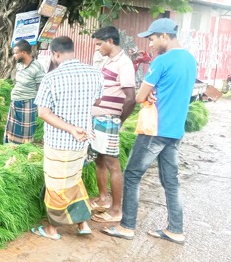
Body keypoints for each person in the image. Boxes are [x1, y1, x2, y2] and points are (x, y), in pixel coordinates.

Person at [102, 18, 197, 245]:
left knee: (132, 175)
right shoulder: (191, 60)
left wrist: (150, 93)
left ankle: (126, 227)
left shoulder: (161, 61)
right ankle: (176, 229)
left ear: (164, 36)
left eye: (153, 39)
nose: (151, 44)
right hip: (174, 131)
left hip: (154, 129)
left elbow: (139, 97)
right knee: (171, 181)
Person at [32, 36, 103, 239]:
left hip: (59, 142)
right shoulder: (94, 73)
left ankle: (52, 229)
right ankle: (83, 223)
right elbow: (95, 100)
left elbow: (43, 113)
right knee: (73, 180)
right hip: (83, 141)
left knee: (56, 186)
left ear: (55, 54)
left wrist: (70, 128)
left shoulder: (52, 78)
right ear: (73, 50)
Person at [88, 26, 136, 223]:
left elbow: (131, 98)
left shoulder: (124, 63)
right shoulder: (108, 60)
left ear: (110, 41)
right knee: (99, 160)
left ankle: (116, 210)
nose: (98, 48)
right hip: (99, 119)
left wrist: (118, 121)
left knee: (112, 164)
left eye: (99, 44)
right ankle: (103, 199)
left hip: (109, 120)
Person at [4, 39, 45, 144]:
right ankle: (11, 149)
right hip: (15, 102)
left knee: (25, 133)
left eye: (16, 53)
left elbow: (41, 89)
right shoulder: (19, 65)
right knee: (11, 130)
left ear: (24, 53)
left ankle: (23, 151)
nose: (14, 55)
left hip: (27, 103)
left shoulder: (37, 68)